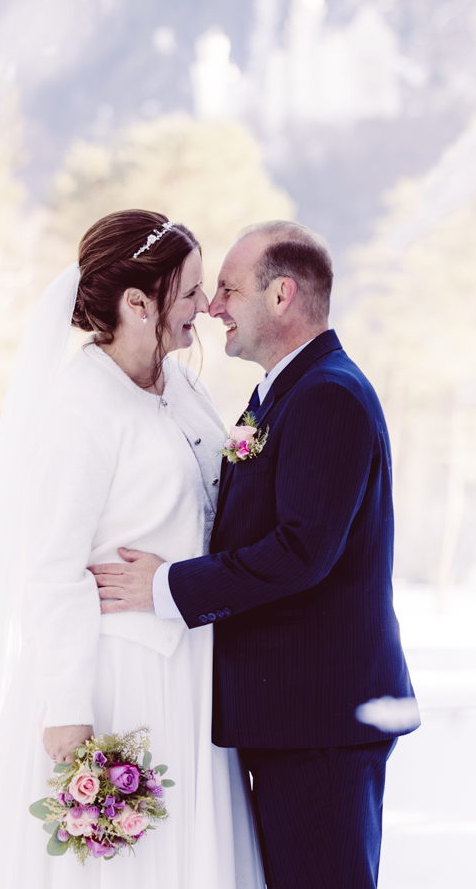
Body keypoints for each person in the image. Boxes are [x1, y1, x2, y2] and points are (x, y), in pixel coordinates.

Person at [0, 209, 263, 888]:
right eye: (189, 291)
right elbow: (51, 571)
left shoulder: (184, 384)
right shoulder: (80, 408)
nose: (206, 306)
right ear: (138, 303)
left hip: (191, 669)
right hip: (117, 683)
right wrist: (70, 716)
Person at [93, 220, 418, 889]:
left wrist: (168, 587)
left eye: (229, 290)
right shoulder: (286, 389)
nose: (213, 308)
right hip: (292, 713)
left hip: (319, 718)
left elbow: (303, 551)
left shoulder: (327, 395)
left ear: (282, 296)